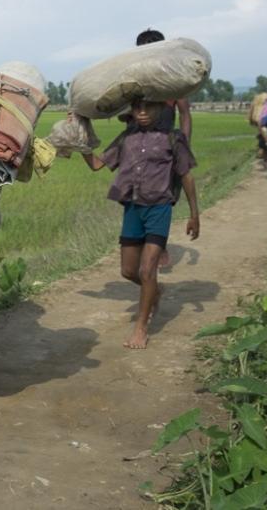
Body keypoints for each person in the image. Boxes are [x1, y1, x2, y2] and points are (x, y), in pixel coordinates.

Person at [81, 99, 200, 349]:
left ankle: (141, 327)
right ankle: (155, 290)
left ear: (161, 110)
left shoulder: (172, 138)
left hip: (159, 208)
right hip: (132, 209)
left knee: (147, 271)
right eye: (137, 108)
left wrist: (194, 214)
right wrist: (78, 141)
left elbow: (186, 175)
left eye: (148, 107)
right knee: (128, 271)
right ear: (131, 113)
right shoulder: (126, 138)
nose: (142, 113)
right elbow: (96, 164)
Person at [132, 29, 193, 269]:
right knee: (138, 193)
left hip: (167, 147)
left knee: (165, 195)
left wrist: (184, 145)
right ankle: (143, 242)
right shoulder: (134, 79)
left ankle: (160, 245)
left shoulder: (173, 79)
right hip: (139, 147)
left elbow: (185, 114)